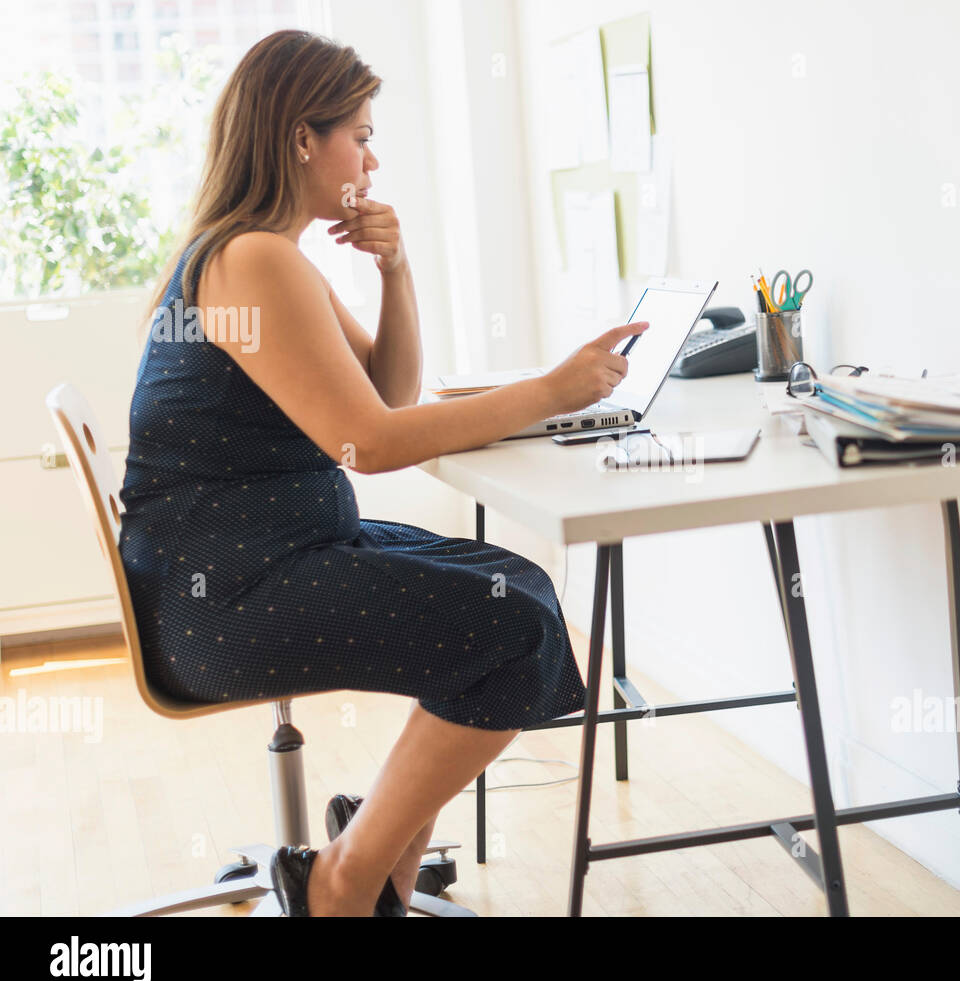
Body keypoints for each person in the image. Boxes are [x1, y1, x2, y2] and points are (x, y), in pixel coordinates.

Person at [119, 28, 647, 916]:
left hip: (273, 560)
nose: (371, 153)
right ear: (301, 139)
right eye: (359, 132)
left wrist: (394, 269)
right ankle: (344, 879)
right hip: (228, 601)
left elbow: (387, 398)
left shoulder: (261, 252)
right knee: (515, 628)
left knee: (516, 589)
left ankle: (380, 854)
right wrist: (548, 391)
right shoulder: (253, 259)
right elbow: (370, 444)